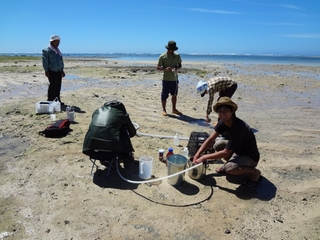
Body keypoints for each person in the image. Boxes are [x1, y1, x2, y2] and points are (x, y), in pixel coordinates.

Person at [193, 97, 261, 188]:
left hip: (250, 157)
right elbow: (210, 139)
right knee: (218, 145)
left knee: (230, 169)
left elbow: (226, 152)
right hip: (238, 151)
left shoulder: (239, 127)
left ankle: (254, 173)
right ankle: (230, 164)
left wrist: (204, 157)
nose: (222, 114)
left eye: (225, 111)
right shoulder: (223, 122)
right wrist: (197, 154)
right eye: (220, 111)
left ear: (232, 111)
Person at [82, 100, 136, 165]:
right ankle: (125, 156)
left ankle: (104, 159)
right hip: (112, 152)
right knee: (122, 132)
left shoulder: (97, 111)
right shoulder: (122, 114)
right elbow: (132, 133)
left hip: (90, 149)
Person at [157, 40, 182, 116]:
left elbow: (180, 66)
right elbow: (158, 67)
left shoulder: (177, 56)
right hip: (166, 79)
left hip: (174, 79)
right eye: (171, 49)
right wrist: (165, 69)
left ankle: (174, 109)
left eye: (173, 49)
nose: (172, 51)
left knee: (174, 94)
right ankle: (164, 110)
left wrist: (175, 68)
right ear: (168, 48)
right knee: (164, 95)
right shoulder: (162, 56)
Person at [42, 35, 65, 104]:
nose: (58, 43)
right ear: (52, 42)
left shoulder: (58, 51)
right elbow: (45, 61)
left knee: (58, 86)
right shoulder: (46, 50)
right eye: (56, 42)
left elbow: (61, 61)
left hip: (59, 71)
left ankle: (57, 100)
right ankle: (50, 100)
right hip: (52, 71)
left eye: (59, 42)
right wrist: (46, 71)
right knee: (52, 86)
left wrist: (62, 70)